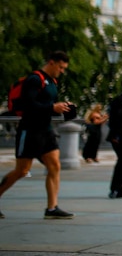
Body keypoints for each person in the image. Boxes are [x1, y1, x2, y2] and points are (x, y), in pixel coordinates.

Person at [0, 51, 76, 219]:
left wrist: (62, 108)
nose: (62, 71)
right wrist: (51, 108)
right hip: (30, 130)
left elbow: (48, 104)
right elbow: (29, 105)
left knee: (55, 166)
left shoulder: (52, 82)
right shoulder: (35, 79)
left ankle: (51, 208)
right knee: (21, 170)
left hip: (46, 130)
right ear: (51, 62)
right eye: (61, 67)